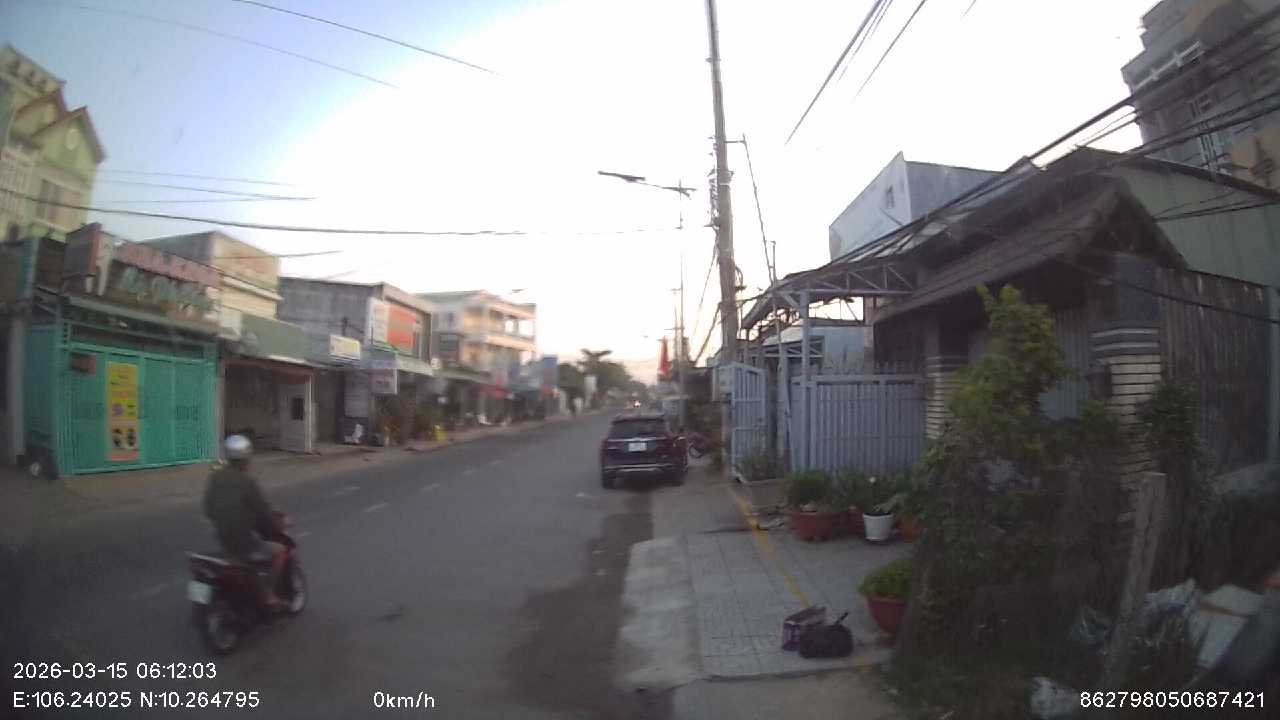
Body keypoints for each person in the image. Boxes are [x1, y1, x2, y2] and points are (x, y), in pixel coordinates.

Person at [203, 435, 287, 610]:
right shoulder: (247, 482)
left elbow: (208, 509)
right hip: (244, 542)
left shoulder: (215, 478)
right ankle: (268, 595)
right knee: (279, 551)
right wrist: (277, 525)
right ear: (245, 459)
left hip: (223, 539)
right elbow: (263, 512)